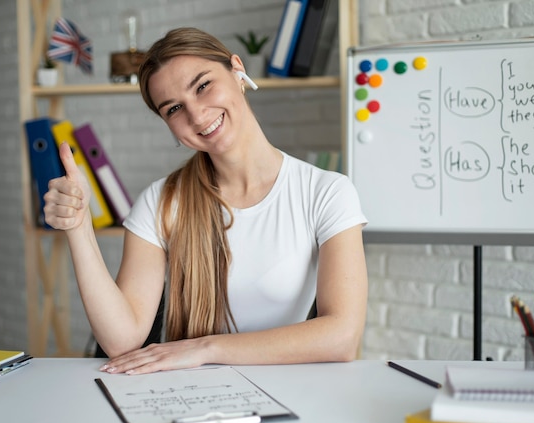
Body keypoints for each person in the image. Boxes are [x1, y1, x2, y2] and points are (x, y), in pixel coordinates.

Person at [43, 27, 368, 375]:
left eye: (202, 86)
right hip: (191, 396)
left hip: (285, 394)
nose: (197, 116)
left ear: (237, 71)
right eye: (174, 109)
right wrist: (79, 228)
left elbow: (342, 336)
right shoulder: (160, 202)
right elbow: (122, 341)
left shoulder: (326, 192)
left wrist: (205, 348)